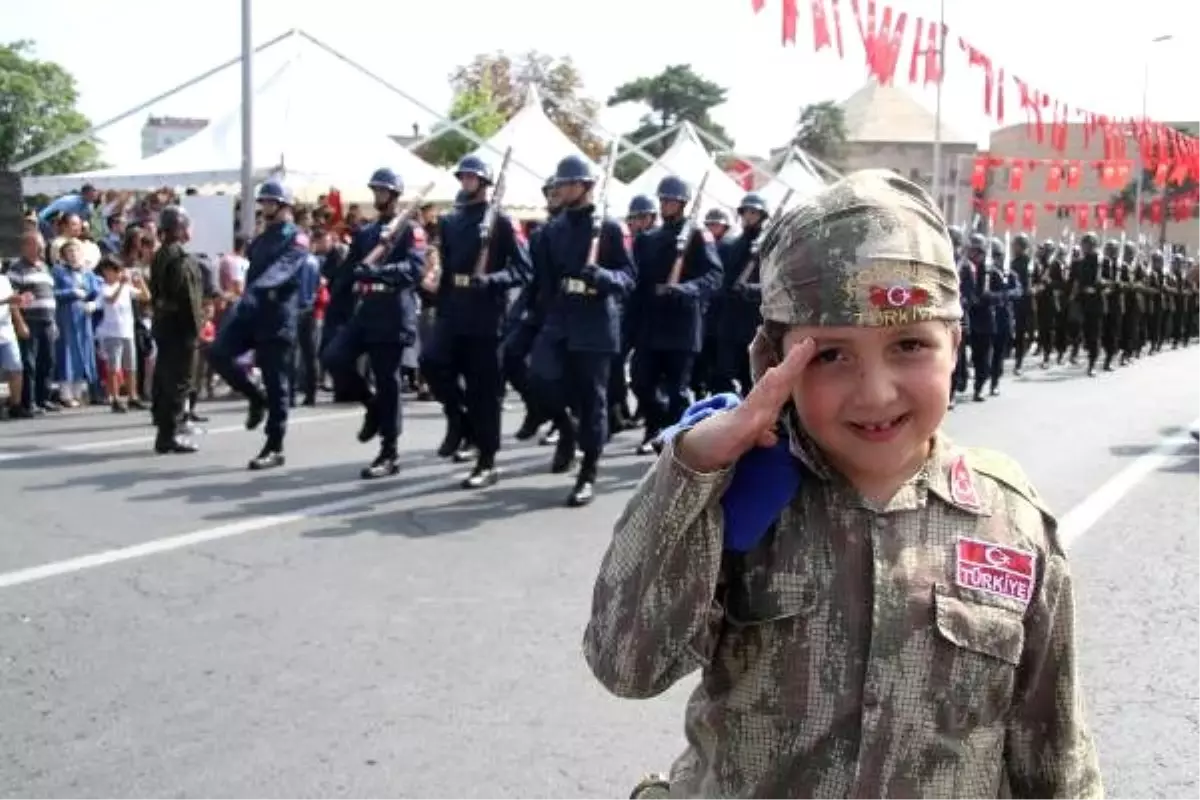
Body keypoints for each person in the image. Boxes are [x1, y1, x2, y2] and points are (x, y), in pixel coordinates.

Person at [583, 169, 1103, 798]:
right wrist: (691, 470)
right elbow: (626, 665)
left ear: (955, 344)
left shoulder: (1010, 523)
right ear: (774, 362)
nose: (875, 392)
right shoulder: (733, 493)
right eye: (830, 354)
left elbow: (1055, 758)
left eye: (910, 344)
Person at [149, 206, 204, 454]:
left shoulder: (161, 254)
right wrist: (196, 330)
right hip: (180, 328)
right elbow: (189, 299)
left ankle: (164, 428)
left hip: (164, 325)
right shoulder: (180, 258)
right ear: (180, 229)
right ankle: (168, 434)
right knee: (179, 381)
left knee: (165, 378)